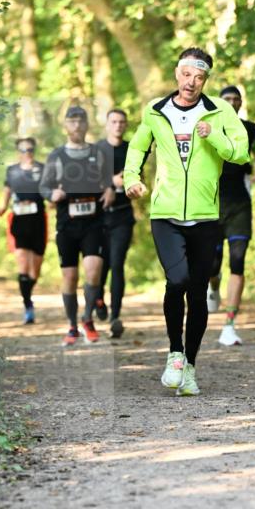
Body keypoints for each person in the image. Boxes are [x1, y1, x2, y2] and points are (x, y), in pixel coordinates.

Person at [123, 47, 249, 396]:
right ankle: (174, 353)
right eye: (186, 74)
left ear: (205, 80)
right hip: (165, 214)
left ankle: (190, 366)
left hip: (206, 215)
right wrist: (131, 178)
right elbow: (137, 148)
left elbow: (241, 151)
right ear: (177, 73)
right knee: (176, 280)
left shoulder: (219, 111)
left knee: (197, 292)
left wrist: (216, 136)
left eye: (199, 77)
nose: (191, 82)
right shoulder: (155, 110)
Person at [39, 106, 114, 346]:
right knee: (70, 277)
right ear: (65, 126)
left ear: (87, 124)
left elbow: (107, 181)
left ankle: (87, 319)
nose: (77, 125)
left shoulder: (97, 152)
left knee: (93, 271)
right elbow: (44, 187)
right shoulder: (57, 156)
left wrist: (110, 190)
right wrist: (53, 193)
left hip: (93, 222)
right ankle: (72, 326)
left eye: (81, 121)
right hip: (67, 225)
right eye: (72, 121)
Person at [207, 85, 255, 346]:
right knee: (212, 265)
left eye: (235, 99)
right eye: (227, 99)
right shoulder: (207, 126)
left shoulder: (250, 129)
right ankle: (213, 286)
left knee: (238, 259)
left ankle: (229, 324)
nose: (231, 102)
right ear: (218, 103)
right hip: (211, 203)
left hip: (240, 203)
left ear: (241, 102)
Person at [0, 137, 46, 324]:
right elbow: (6, 193)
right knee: (23, 265)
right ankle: (28, 307)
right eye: (24, 150)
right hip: (19, 221)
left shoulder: (43, 169)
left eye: (30, 149)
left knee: (35, 272)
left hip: (38, 220)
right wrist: (1, 208)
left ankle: (28, 292)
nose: (27, 153)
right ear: (18, 152)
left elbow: (50, 190)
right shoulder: (12, 171)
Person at [95, 108, 136, 339]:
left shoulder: (132, 149)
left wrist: (133, 184)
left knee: (117, 263)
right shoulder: (97, 150)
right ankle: (99, 299)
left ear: (126, 125)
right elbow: (86, 178)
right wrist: (111, 181)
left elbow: (137, 177)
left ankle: (115, 317)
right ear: (107, 124)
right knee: (101, 266)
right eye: (114, 121)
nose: (118, 125)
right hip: (98, 217)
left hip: (122, 215)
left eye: (122, 122)